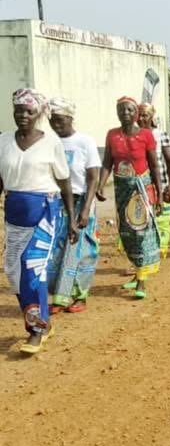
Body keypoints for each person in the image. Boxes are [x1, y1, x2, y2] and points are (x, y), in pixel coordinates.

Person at [0, 89, 76, 354]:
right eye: (19, 109)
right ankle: (42, 320)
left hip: (44, 212)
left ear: (39, 114)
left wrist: (73, 220)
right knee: (13, 271)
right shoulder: (4, 141)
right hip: (14, 213)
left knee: (33, 269)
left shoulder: (51, 142)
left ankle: (37, 329)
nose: (23, 115)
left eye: (29, 110)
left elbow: (64, 182)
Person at [98, 96, 164, 300]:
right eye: (121, 110)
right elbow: (107, 163)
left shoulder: (146, 135)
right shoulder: (112, 135)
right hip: (121, 188)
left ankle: (142, 278)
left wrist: (159, 194)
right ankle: (137, 272)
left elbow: (154, 165)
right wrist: (101, 185)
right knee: (126, 233)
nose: (125, 113)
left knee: (141, 230)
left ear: (135, 113)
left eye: (129, 110)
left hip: (140, 188)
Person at [47, 98, 101, 314]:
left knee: (81, 249)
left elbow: (93, 177)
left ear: (70, 118)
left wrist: (86, 209)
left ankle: (80, 296)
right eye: (52, 120)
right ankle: (59, 297)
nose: (54, 124)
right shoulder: (49, 143)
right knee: (57, 249)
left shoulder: (85, 142)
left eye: (59, 119)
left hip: (81, 200)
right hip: (56, 201)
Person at [137, 103, 170, 259]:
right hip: (139, 186)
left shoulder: (160, 135)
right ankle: (143, 257)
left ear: (152, 117)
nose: (141, 118)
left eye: (145, 115)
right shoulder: (132, 135)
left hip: (161, 185)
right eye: (139, 115)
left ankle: (158, 252)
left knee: (161, 221)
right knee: (140, 222)